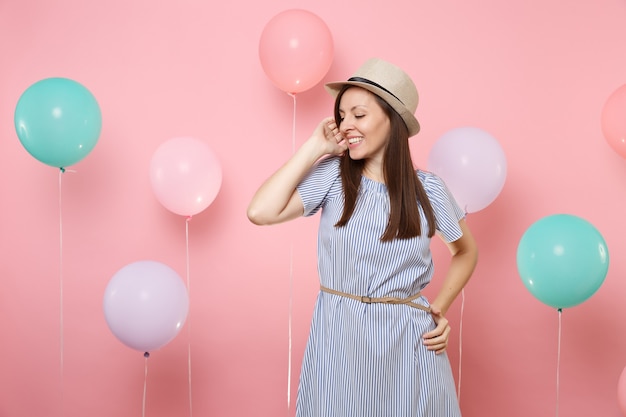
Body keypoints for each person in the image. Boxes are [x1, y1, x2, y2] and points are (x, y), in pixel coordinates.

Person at [247, 58, 478, 417]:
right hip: (340, 342)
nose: (346, 125)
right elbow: (260, 211)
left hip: (410, 345)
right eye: (342, 115)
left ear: (393, 120)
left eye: (359, 114)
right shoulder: (333, 177)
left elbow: (465, 251)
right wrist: (314, 148)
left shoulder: (428, 191)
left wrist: (439, 309)